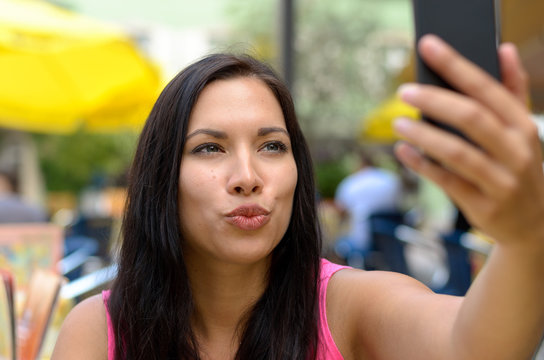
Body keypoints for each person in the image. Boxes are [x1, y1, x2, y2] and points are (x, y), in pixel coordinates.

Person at [52, 35, 544, 360]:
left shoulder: (349, 308)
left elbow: (473, 346)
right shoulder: (98, 332)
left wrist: (525, 239)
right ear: (161, 178)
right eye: (209, 148)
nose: (247, 177)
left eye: (272, 146)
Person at [333, 149, 402, 268]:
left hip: (362, 239)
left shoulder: (351, 183)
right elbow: (399, 205)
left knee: (339, 245)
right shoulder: (391, 179)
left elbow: (340, 210)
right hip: (391, 238)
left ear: (359, 164)